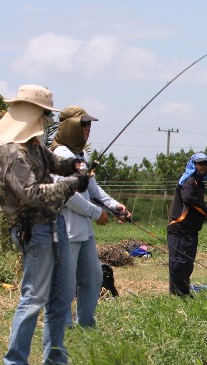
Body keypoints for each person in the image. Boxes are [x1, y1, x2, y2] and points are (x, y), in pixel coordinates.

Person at [0, 84, 91, 365]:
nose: (47, 121)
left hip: (54, 225)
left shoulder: (34, 146)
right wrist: (73, 183)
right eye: (45, 115)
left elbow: (55, 163)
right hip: (32, 231)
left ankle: (55, 362)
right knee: (34, 297)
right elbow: (31, 193)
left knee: (61, 298)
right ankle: (16, 364)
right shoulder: (13, 153)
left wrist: (75, 165)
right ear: (32, 114)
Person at [51, 105, 131, 327]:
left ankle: (85, 324)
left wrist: (115, 206)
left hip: (83, 230)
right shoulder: (60, 156)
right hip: (65, 229)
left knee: (93, 278)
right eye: (82, 124)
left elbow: (93, 190)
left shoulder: (82, 155)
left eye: (89, 125)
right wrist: (97, 213)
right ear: (69, 127)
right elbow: (68, 196)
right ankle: (63, 327)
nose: (87, 129)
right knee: (66, 284)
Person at [167, 152, 207, 296]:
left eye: (205, 164)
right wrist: (206, 211)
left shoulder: (198, 182)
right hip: (180, 229)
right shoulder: (189, 180)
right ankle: (179, 295)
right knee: (179, 262)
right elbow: (188, 199)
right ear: (193, 164)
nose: (203, 167)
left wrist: (206, 213)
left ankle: (182, 291)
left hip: (190, 230)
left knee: (186, 263)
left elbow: (195, 205)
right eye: (200, 163)